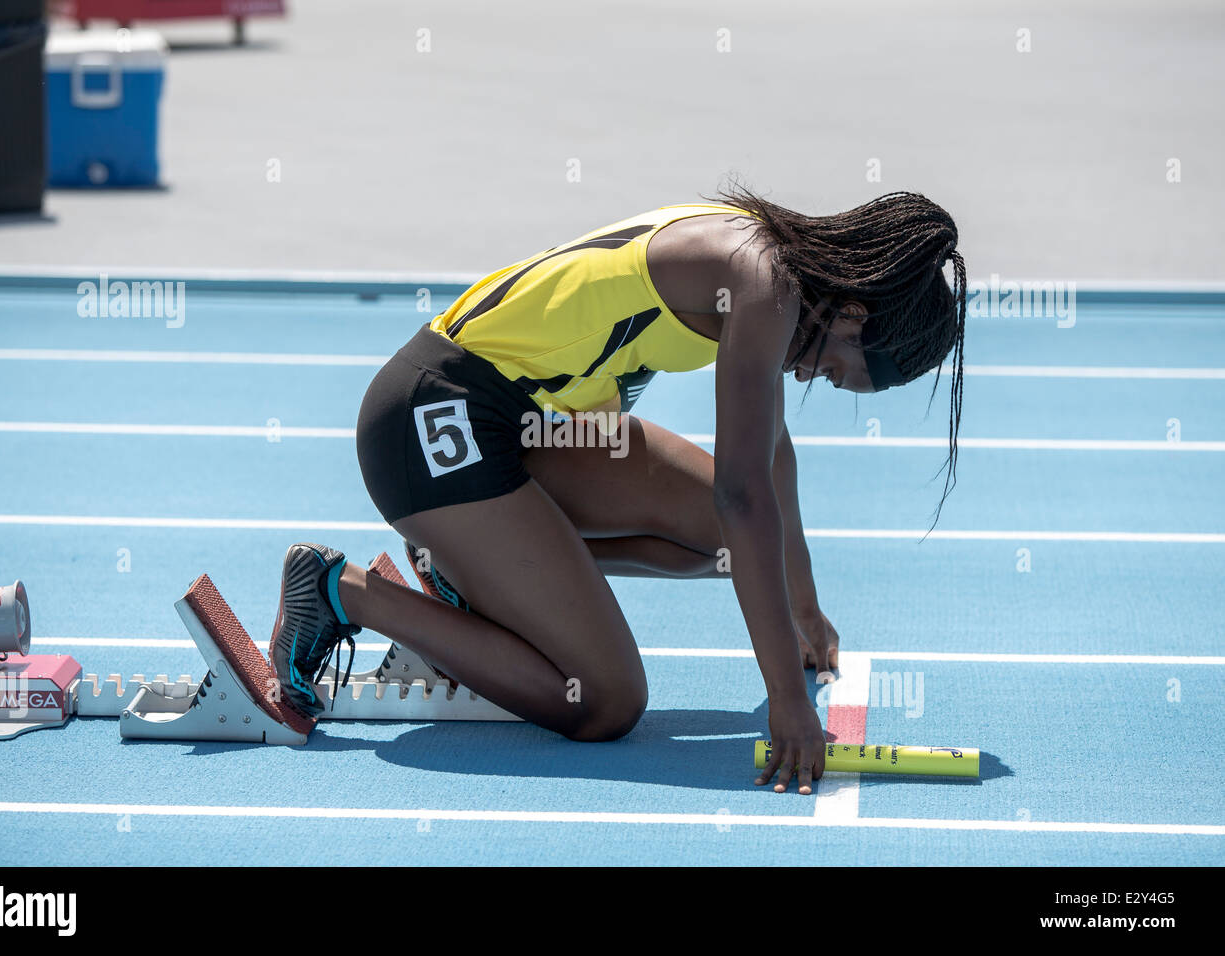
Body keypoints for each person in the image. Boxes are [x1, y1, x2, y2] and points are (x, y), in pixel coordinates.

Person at [268, 187, 967, 795]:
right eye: (838, 372)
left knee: (740, 550)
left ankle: (470, 574)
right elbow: (744, 494)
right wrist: (788, 700)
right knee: (606, 703)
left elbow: (771, 450)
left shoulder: (769, 253)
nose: (815, 379)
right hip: (434, 420)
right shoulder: (764, 284)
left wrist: (804, 608)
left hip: (529, 431)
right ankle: (340, 590)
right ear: (849, 314)